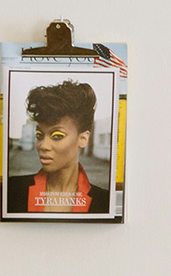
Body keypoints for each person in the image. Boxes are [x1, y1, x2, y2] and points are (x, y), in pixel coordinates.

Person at [7, 80, 109, 214]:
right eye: (39, 135)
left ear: (83, 139)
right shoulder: (13, 190)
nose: (43, 145)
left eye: (57, 136)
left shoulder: (104, 201)